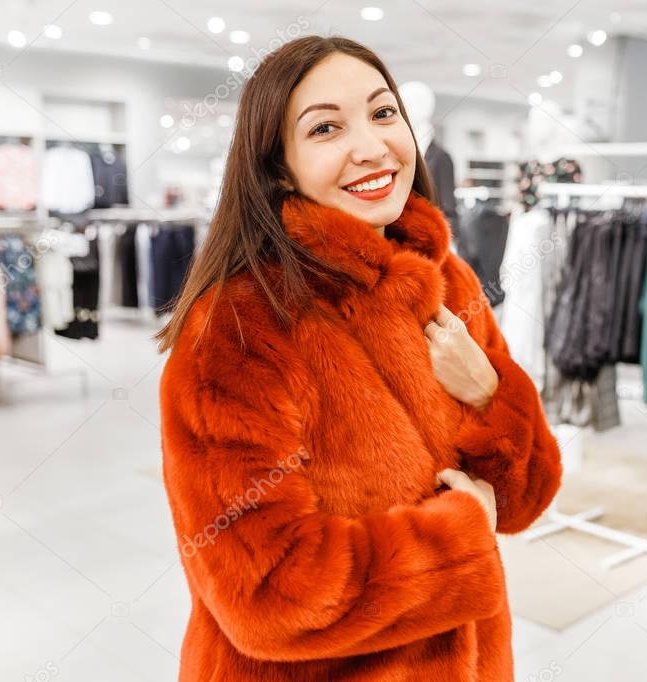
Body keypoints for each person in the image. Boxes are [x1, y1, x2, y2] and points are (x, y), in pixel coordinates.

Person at [155, 35, 562, 681]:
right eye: (325, 128)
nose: (372, 147)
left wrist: (489, 393)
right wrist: (458, 535)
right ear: (278, 166)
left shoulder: (446, 282)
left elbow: (522, 500)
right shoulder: (239, 328)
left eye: (382, 113)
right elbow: (265, 593)